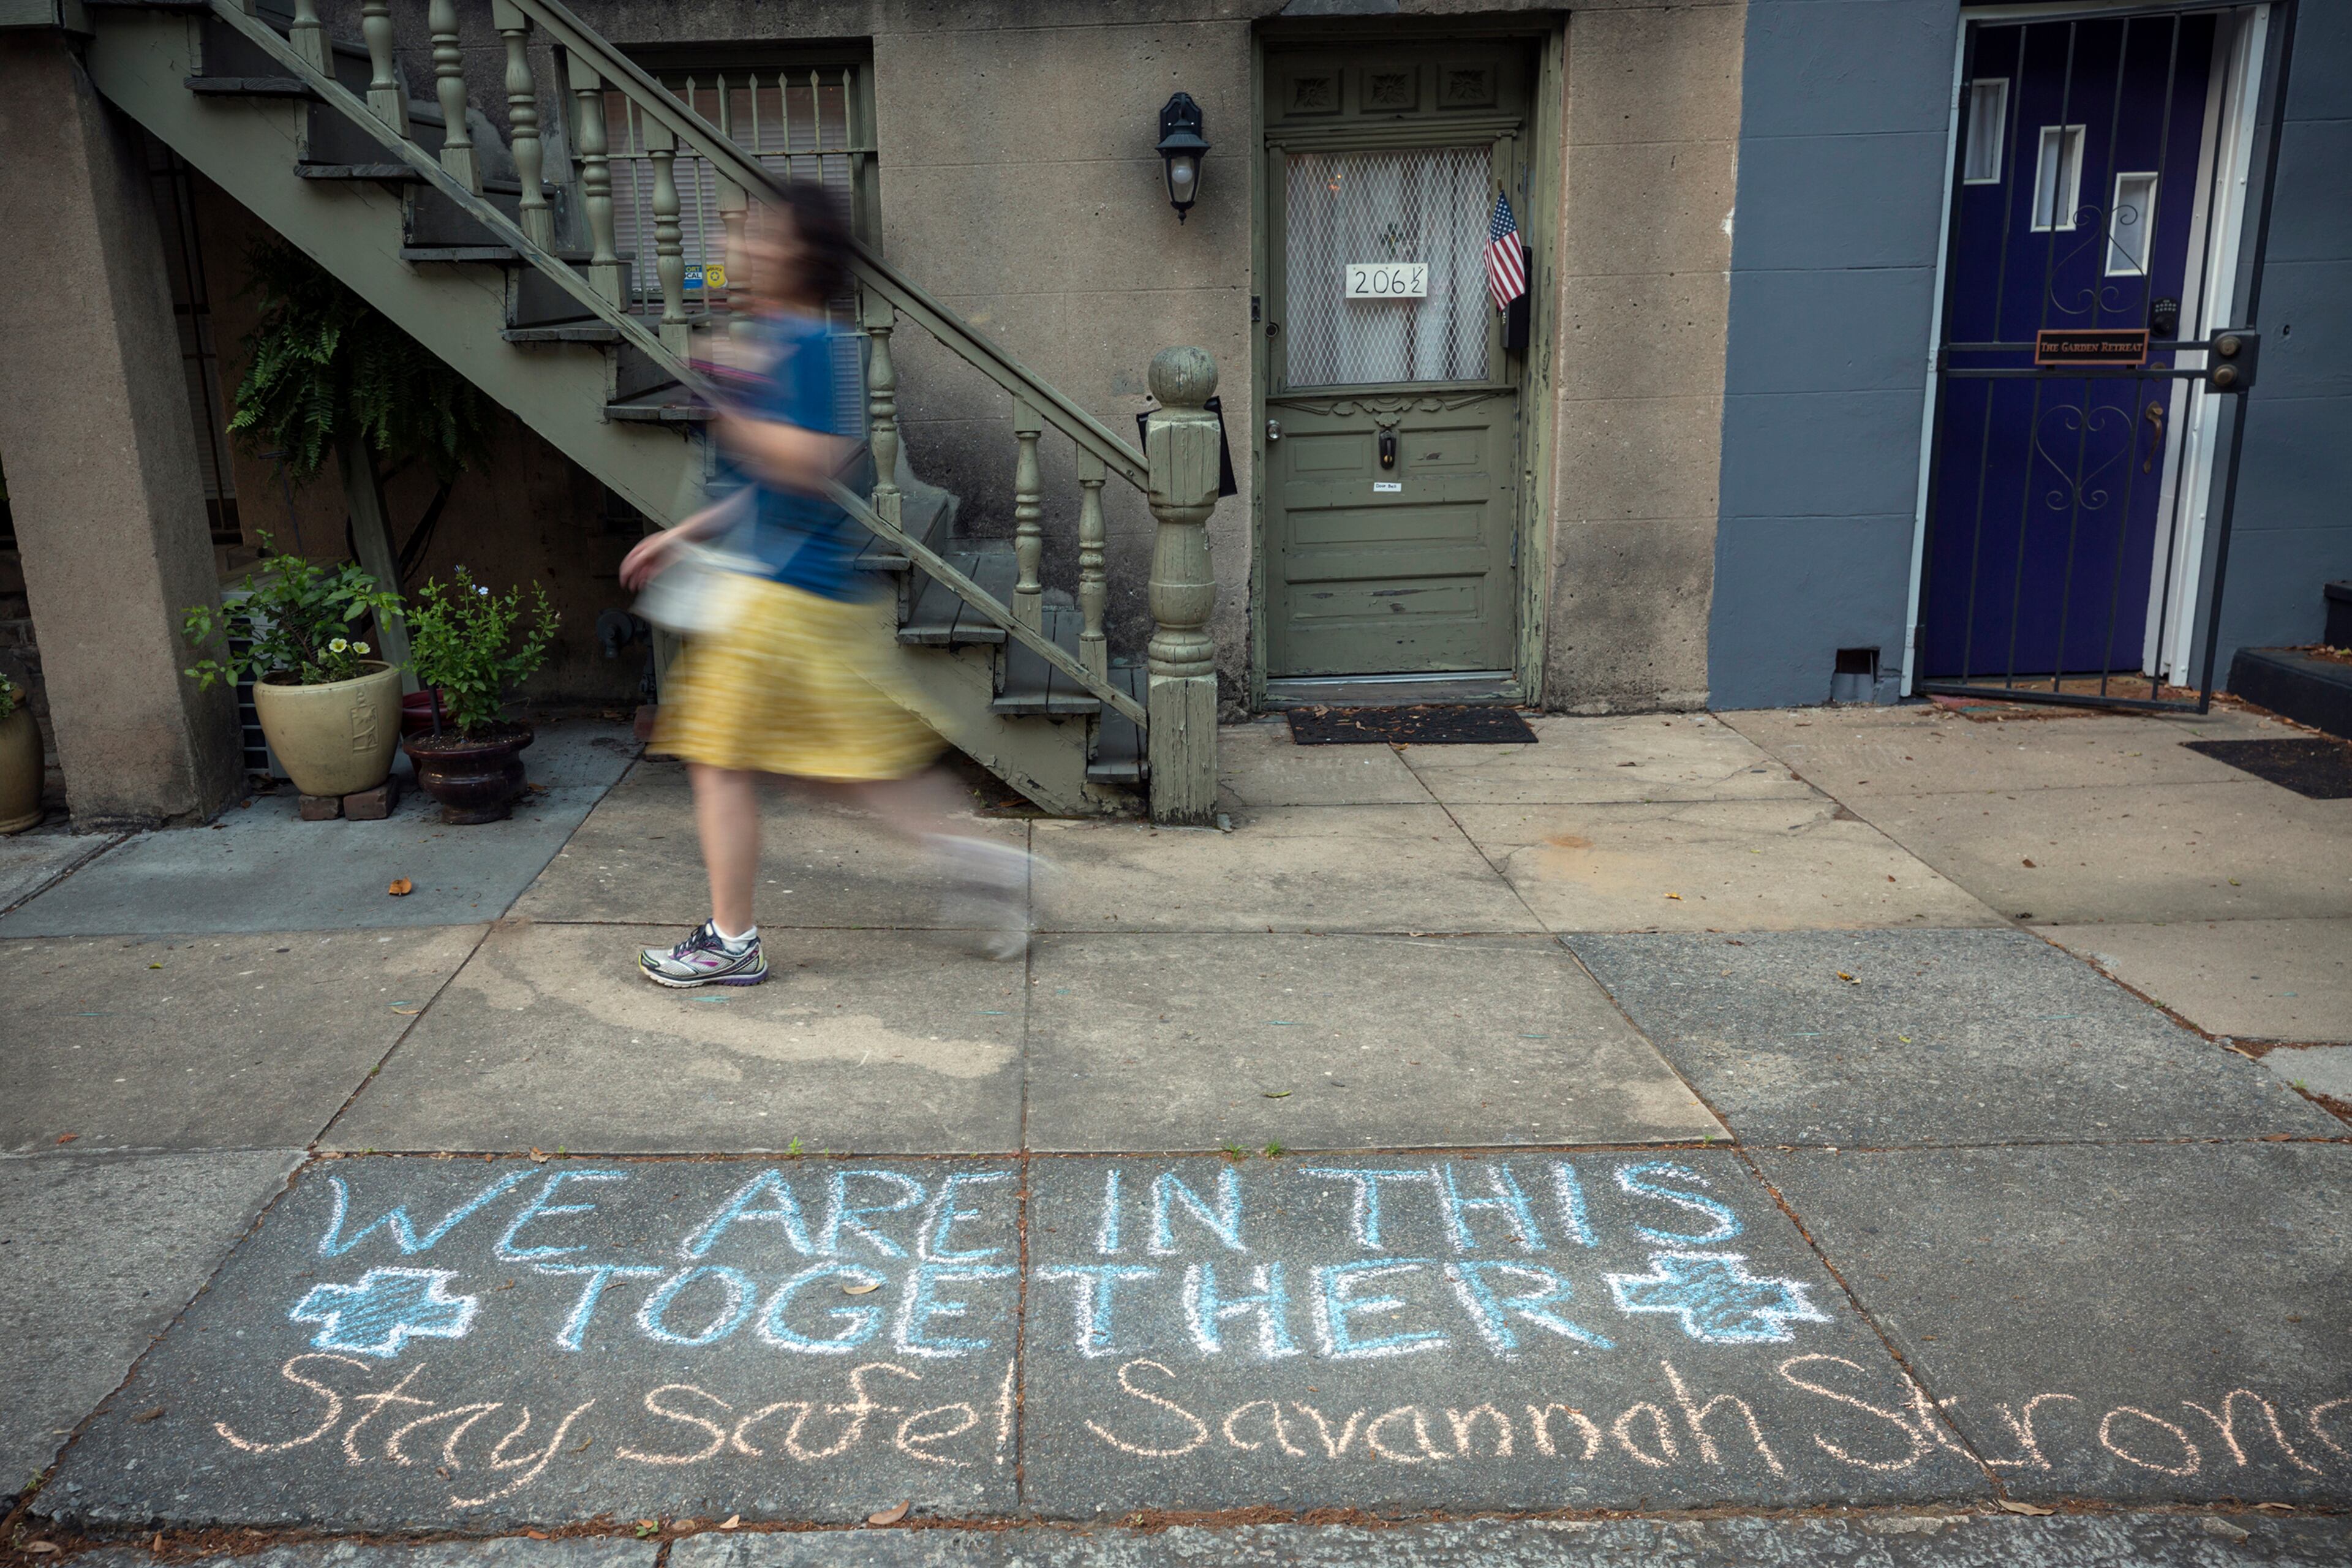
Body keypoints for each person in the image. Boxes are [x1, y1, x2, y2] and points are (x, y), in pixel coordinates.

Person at [620, 183, 1031, 988]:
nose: (743, 246)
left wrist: (727, 406)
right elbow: (757, 489)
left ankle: (731, 941)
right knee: (843, 773)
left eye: (761, 235)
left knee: (718, 757)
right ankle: (987, 870)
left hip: (783, 597)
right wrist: (680, 533)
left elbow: (818, 465)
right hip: (780, 592)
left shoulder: (821, 346)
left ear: (797, 255)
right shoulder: (769, 339)